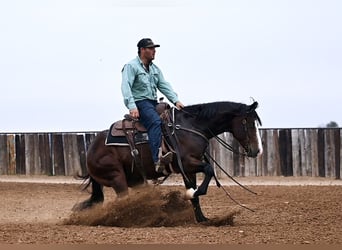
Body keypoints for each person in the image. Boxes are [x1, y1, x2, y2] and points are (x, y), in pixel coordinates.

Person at [121, 38, 184, 174]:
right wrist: (132, 106)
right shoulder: (131, 66)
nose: (154, 51)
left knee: (170, 121)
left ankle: (175, 155)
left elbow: (163, 85)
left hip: (153, 102)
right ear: (142, 50)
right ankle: (157, 159)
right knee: (155, 122)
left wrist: (176, 101)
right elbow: (126, 86)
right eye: (151, 48)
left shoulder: (155, 69)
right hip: (140, 103)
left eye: (154, 48)